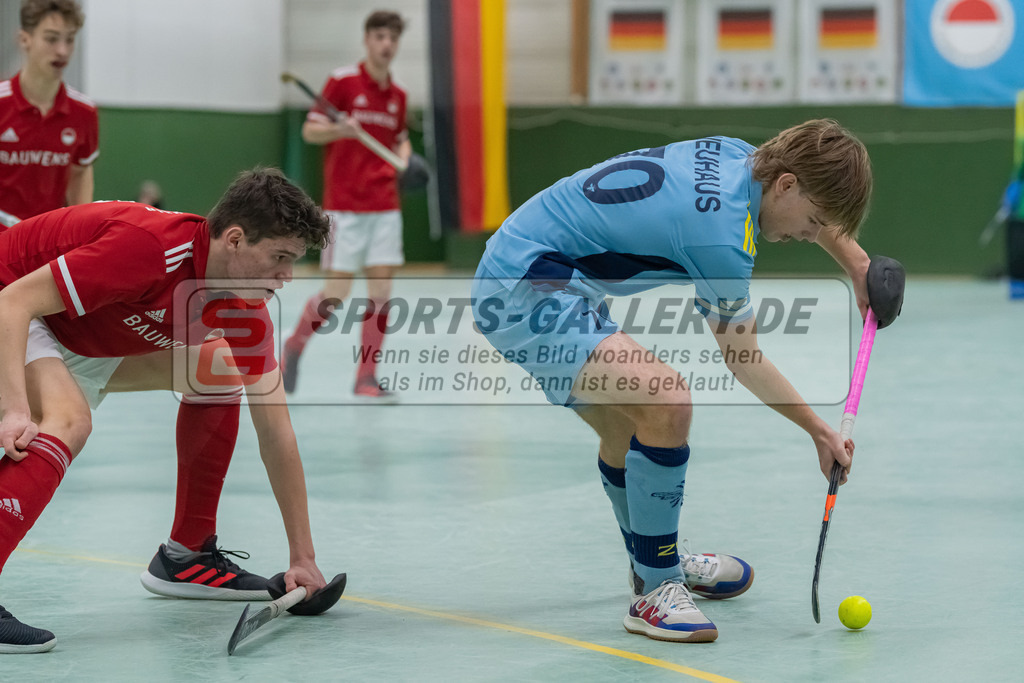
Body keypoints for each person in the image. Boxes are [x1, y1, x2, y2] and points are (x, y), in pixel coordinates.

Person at [470, 119, 873, 643]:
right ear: (787, 186)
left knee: (624, 431)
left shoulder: (741, 156)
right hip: (525, 292)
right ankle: (656, 588)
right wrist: (820, 431)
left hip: (540, 270)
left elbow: (804, 199)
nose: (809, 236)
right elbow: (743, 358)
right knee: (667, 401)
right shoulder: (723, 238)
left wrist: (858, 263)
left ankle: (651, 558)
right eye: (814, 221)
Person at [0, 168, 332, 653]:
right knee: (68, 419)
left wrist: (302, 555)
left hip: (79, 332)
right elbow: (13, 302)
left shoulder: (244, 310)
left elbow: (276, 434)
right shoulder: (150, 249)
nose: (287, 277)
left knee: (216, 371)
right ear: (235, 239)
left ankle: (187, 555)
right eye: (280, 258)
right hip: (12, 302)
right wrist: (13, 409)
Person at [281, 9, 411, 401]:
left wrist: (405, 159)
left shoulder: (399, 96)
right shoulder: (342, 82)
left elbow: (400, 138)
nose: (386, 45)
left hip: (385, 205)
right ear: (367, 41)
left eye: (392, 38)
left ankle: (366, 378)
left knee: (381, 293)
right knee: (336, 293)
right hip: (345, 207)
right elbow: (310, 130)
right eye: (379, 37)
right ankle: (293, 348)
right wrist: (342, 128)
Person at [0, 0, 98, 227]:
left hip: (47, 247)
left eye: (70, 39)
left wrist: (79, 229)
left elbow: (80, 173)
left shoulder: (84, 112)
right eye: (52, 39)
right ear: (25, 39)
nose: (63, 51)